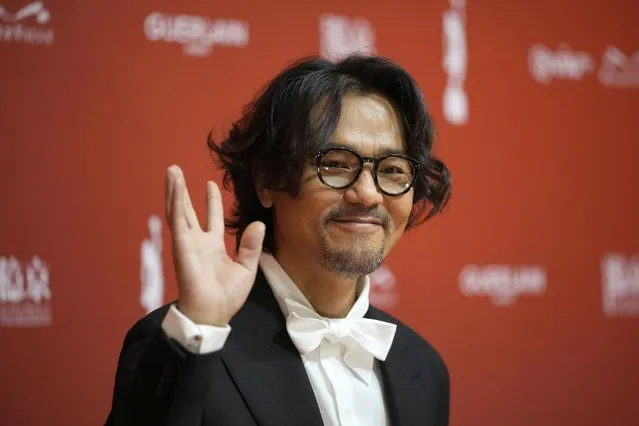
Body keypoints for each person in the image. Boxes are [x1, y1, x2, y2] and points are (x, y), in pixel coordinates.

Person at [105, 54, 452, 426]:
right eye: (335, 164)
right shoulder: (186, 346)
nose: (368, 194)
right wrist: (199, 329)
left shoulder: (423, 368)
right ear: (267, 181)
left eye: (393, 170)